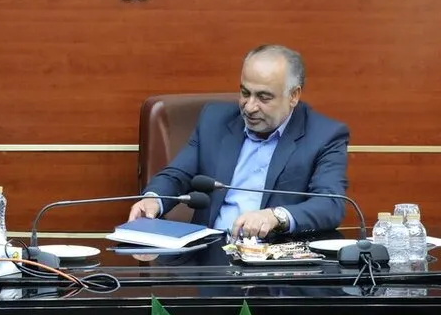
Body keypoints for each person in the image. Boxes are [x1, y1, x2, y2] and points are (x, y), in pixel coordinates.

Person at [128, 44, 349, 238]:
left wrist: (275, 217)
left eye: (263, 97)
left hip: (276, 260)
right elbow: (177, 175)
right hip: (211, 254)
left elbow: (330, 204)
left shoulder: (324, 135)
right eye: (245, 93)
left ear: (293, 95)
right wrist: (153, 200)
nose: (249, 107)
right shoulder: (214, 121)